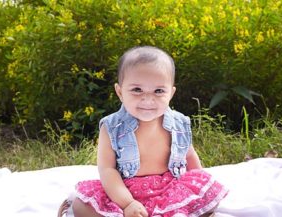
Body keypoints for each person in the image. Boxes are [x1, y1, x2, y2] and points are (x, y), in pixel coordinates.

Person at [58, 46, 228, 217]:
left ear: (171, 93)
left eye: (159, 91)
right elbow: (107, 170)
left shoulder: (179, 123)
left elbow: (189, 156)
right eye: (137, 90)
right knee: (81, 206)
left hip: (169, 189)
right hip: (125, 191)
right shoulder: (111, 127)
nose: (148, 98)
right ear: (120, 92)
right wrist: (127, 203)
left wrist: (201, 192)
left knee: (209, 198)